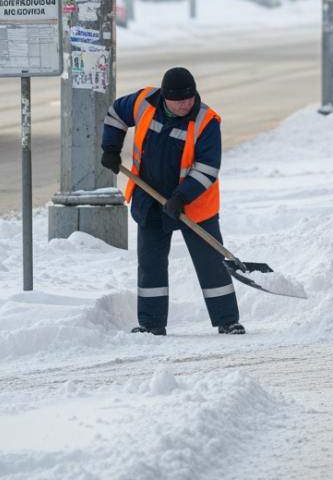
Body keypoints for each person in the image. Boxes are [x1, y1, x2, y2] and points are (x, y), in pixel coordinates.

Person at [100, 67, 243, 336]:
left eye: (190, 98)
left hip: (194, 202)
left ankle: (228, 320)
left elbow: (207, 168)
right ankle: (151, 324)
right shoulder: (144, 101)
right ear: (165, 97)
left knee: (210, 262)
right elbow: (117, 113)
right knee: (150, 264)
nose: (186, 104)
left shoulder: (206, 121)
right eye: (179, 101)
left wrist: (181, 196)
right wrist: (110, 147)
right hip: (149, 198)